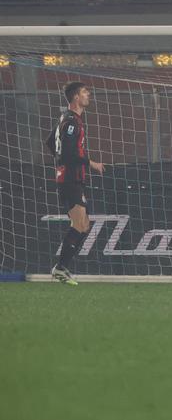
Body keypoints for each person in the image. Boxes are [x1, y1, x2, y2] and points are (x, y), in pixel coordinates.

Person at [45, 82, 106, 285]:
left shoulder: (67, 118)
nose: (88, 94)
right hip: (70, 178)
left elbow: (49, 142)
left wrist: (59, 160)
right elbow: (70, 152)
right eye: (84, 92)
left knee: (84, 224)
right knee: (80, 224)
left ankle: (61, 267)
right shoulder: (71, 121)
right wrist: (92, 163)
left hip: (72, 177)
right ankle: (60, 268)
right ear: (75, 98)